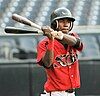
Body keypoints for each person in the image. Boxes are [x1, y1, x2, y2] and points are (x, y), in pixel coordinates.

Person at [37, 7, 83, 96]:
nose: (66, 24)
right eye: (62, 21)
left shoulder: (73, 37)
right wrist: (51, 39)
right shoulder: (44, 43)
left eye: (68, 22)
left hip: (71, 93)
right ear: (54, 24)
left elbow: (78, 44)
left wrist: (60, 36)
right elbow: (47, 64)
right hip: (55, 93)